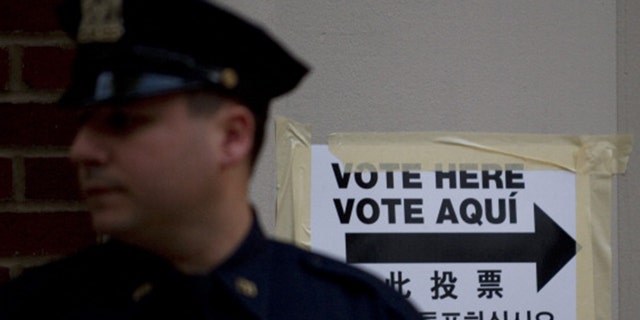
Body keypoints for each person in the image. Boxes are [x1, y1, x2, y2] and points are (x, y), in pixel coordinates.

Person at [0, 0, 422, 319]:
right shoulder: (36, 307)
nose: (80, 150)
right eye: (84, 123)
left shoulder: (353, 311)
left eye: (122, 120)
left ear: (231, 137)